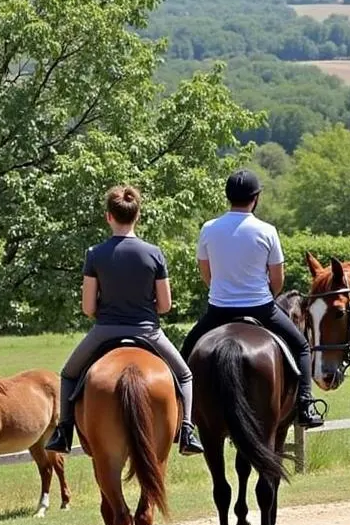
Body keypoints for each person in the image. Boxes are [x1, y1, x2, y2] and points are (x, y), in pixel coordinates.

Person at [46, 186, 204, 455]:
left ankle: (64, 431)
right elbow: (165, 306)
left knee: (68, 374)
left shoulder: (95, 254)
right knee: (185, 375)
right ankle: (187, 430)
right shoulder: (154, 253)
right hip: (148, 331)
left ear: (109, 216)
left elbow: (87, 307)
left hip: (105, 330)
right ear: (137, 215)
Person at [179, 169, 324, 429]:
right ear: (255, 198)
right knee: (301, 346)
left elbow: (206, 272)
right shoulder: (267, 231)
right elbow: (277, 278)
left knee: (186, 351)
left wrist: (223, 291)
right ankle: (305, 404)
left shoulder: (209, 229)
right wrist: (267, 295)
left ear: (227, 197)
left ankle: (182, 415)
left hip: (218, 310)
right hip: (261, 308)